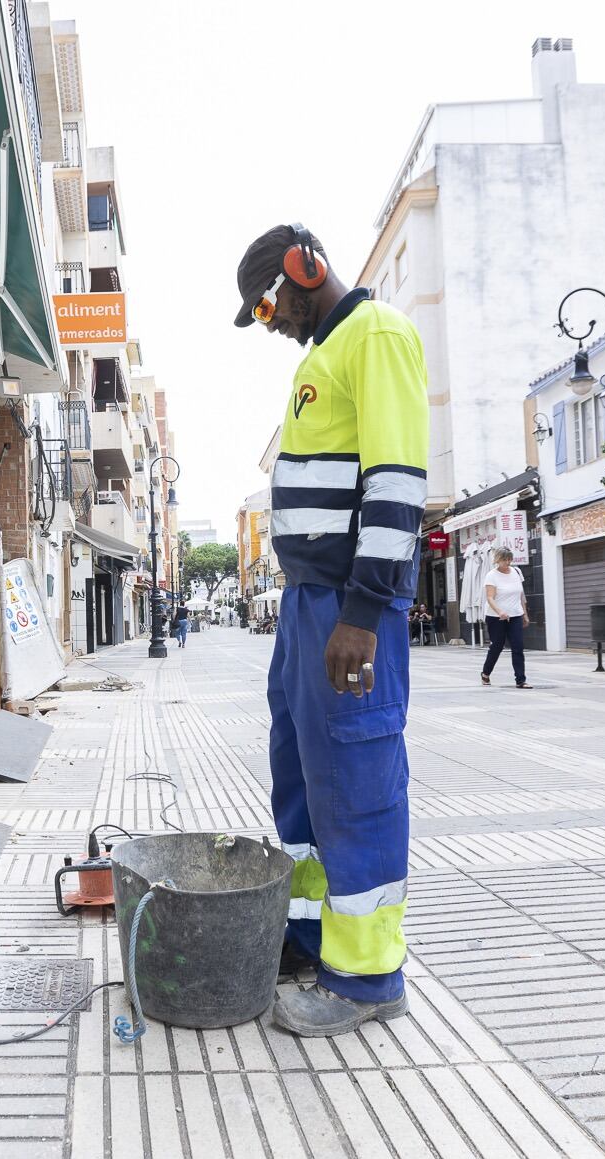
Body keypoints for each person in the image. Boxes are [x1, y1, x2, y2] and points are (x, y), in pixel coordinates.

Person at [234, 223, 428, 1036]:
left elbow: (395, 484)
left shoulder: (375, 336)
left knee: (354, 780)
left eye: (268, 304)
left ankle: (367, 977)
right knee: (304, 776)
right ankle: (313, 938)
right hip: (309, 604)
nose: (270, 322)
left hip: (351, 606)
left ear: (303, 268)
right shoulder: (327, 351)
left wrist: (361, 613)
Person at [479, 547, 533, 689]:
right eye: (504, 559)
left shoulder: (516, 572)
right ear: (497, 560)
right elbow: (490, 597)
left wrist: (525, 614)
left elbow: (521, 595)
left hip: (515, 614)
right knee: (497, 646)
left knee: (518, 646)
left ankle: (520, 680)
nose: (507, 562)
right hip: (495, 616)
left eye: (509, 559)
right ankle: (485, 673)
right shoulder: (492, 575)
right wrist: (500, 612)